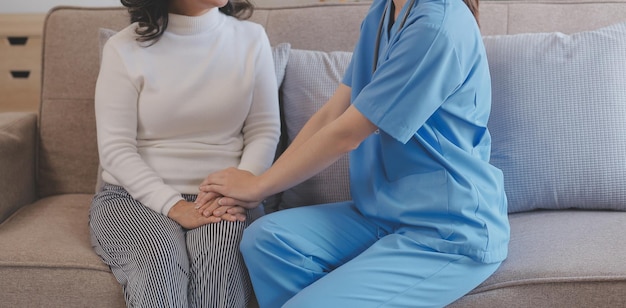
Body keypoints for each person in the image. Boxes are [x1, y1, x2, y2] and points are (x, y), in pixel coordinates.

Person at [197, 0, 510, 306]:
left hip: (448, 232)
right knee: (266, 241)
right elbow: (333, 113)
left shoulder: (435, 26)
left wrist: (258, 186)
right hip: (384, 212)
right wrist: (260, 184)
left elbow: (346, 135)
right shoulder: (383, 10)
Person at [88, 0, 281, 306]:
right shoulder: (122, 48)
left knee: (220, 263)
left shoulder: (251, 39)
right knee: (159, 257)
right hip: (132, 197)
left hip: (225, 199)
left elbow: (264, 129)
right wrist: (174, 206)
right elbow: (115, 149)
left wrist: (239, 189)